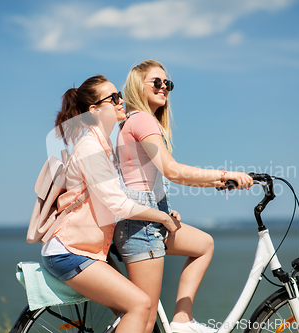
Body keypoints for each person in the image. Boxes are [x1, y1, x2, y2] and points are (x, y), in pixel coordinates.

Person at [114, 60, 254, 333]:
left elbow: (143, 180)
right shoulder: (141, 120)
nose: (164, 87)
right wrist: (224, 175)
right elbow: (173, 170)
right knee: (144, 321)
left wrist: (166, 210)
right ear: (137, 86)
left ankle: (182, 320)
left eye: (168, 83)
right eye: (157, 82)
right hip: (141, 228)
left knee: (204, 244)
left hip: (149, 220)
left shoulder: (137, 122)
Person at [41, 75, 181, 333]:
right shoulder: (90, 147)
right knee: (140, 305)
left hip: (88, 249)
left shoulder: (102, 144)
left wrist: (160, 210)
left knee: (133, 314)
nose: (121, 101)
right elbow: (118, 204)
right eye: (113, 97)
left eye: (120, 95)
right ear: (94, 111)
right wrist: (160, 218)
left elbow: (120, 195)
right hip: (69, 251)